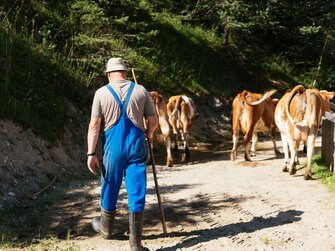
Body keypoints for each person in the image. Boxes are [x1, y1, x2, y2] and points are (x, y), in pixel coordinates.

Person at [87, 57, 158, 251]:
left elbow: (94, 125)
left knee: (109, 185)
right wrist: (149, 134)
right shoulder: (141, 90)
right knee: (137, 189)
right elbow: (153, 120)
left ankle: (106, 229)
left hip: (113, 149)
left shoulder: (101, 93)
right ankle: (135, 245)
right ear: (125, 72)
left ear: (109, 74)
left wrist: (91, 153)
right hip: (136, 146)